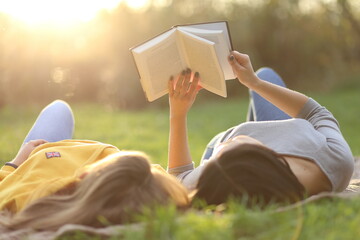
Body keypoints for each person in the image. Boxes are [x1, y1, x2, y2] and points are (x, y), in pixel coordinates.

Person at [167, 51, 354, 207]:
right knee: (265, 75)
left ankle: (215, 148)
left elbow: (179, 178)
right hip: (294, 142)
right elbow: (316, 113)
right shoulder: (335, 160)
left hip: (220, 168)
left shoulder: (213, 175)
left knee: (216, 143)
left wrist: (177, 115)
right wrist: (255, 82)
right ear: (266, 152)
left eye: (224, 147)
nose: (228, 139)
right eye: (235, 141)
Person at [0, 100, 189, 231]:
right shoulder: (143, 189)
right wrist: (178, 115)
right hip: (53, 155)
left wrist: (15, 163)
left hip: (38, 152)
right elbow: (176, 183)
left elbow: (4, 187)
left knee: (58, 109)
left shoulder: (35, 199)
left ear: (85, 175)